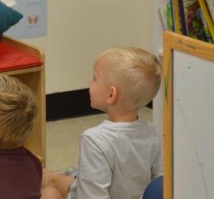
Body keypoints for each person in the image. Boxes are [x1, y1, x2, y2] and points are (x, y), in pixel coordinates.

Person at [42, 47, 163, 199]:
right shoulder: (153, 132)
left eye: (94, 78)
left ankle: (50, 178)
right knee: (55, 177)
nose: (89, 82)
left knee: (49, 190)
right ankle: (54, 176)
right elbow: (161, 180)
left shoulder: (94, 139)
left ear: (111, 94)